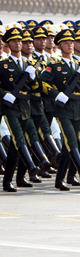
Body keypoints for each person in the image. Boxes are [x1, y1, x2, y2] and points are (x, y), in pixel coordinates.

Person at [1, 27, 44, 192]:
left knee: (15, 145)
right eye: (14, 41)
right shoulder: (3, 64)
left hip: (26, 107)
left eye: (20, 41)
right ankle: (31, 165)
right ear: (8, 44)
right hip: (10, 107)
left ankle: (15, 179)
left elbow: (37, 89)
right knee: (19, 138)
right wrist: (4, 95)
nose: (18, 44)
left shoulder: (29, 64)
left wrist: (33, 79)